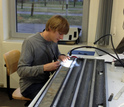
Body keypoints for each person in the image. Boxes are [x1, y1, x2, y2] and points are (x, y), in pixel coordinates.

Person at [17, 15, 70, 100]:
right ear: (50, 28)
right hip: (30, 85)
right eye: (60, 34)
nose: (61, 37)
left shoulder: (53, 40)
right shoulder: (30, 42)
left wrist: (61, 56)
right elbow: (21, 70)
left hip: (45, 81)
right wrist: (45, 68)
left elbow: (57, 54)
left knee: (66, 92)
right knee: (53, 99)